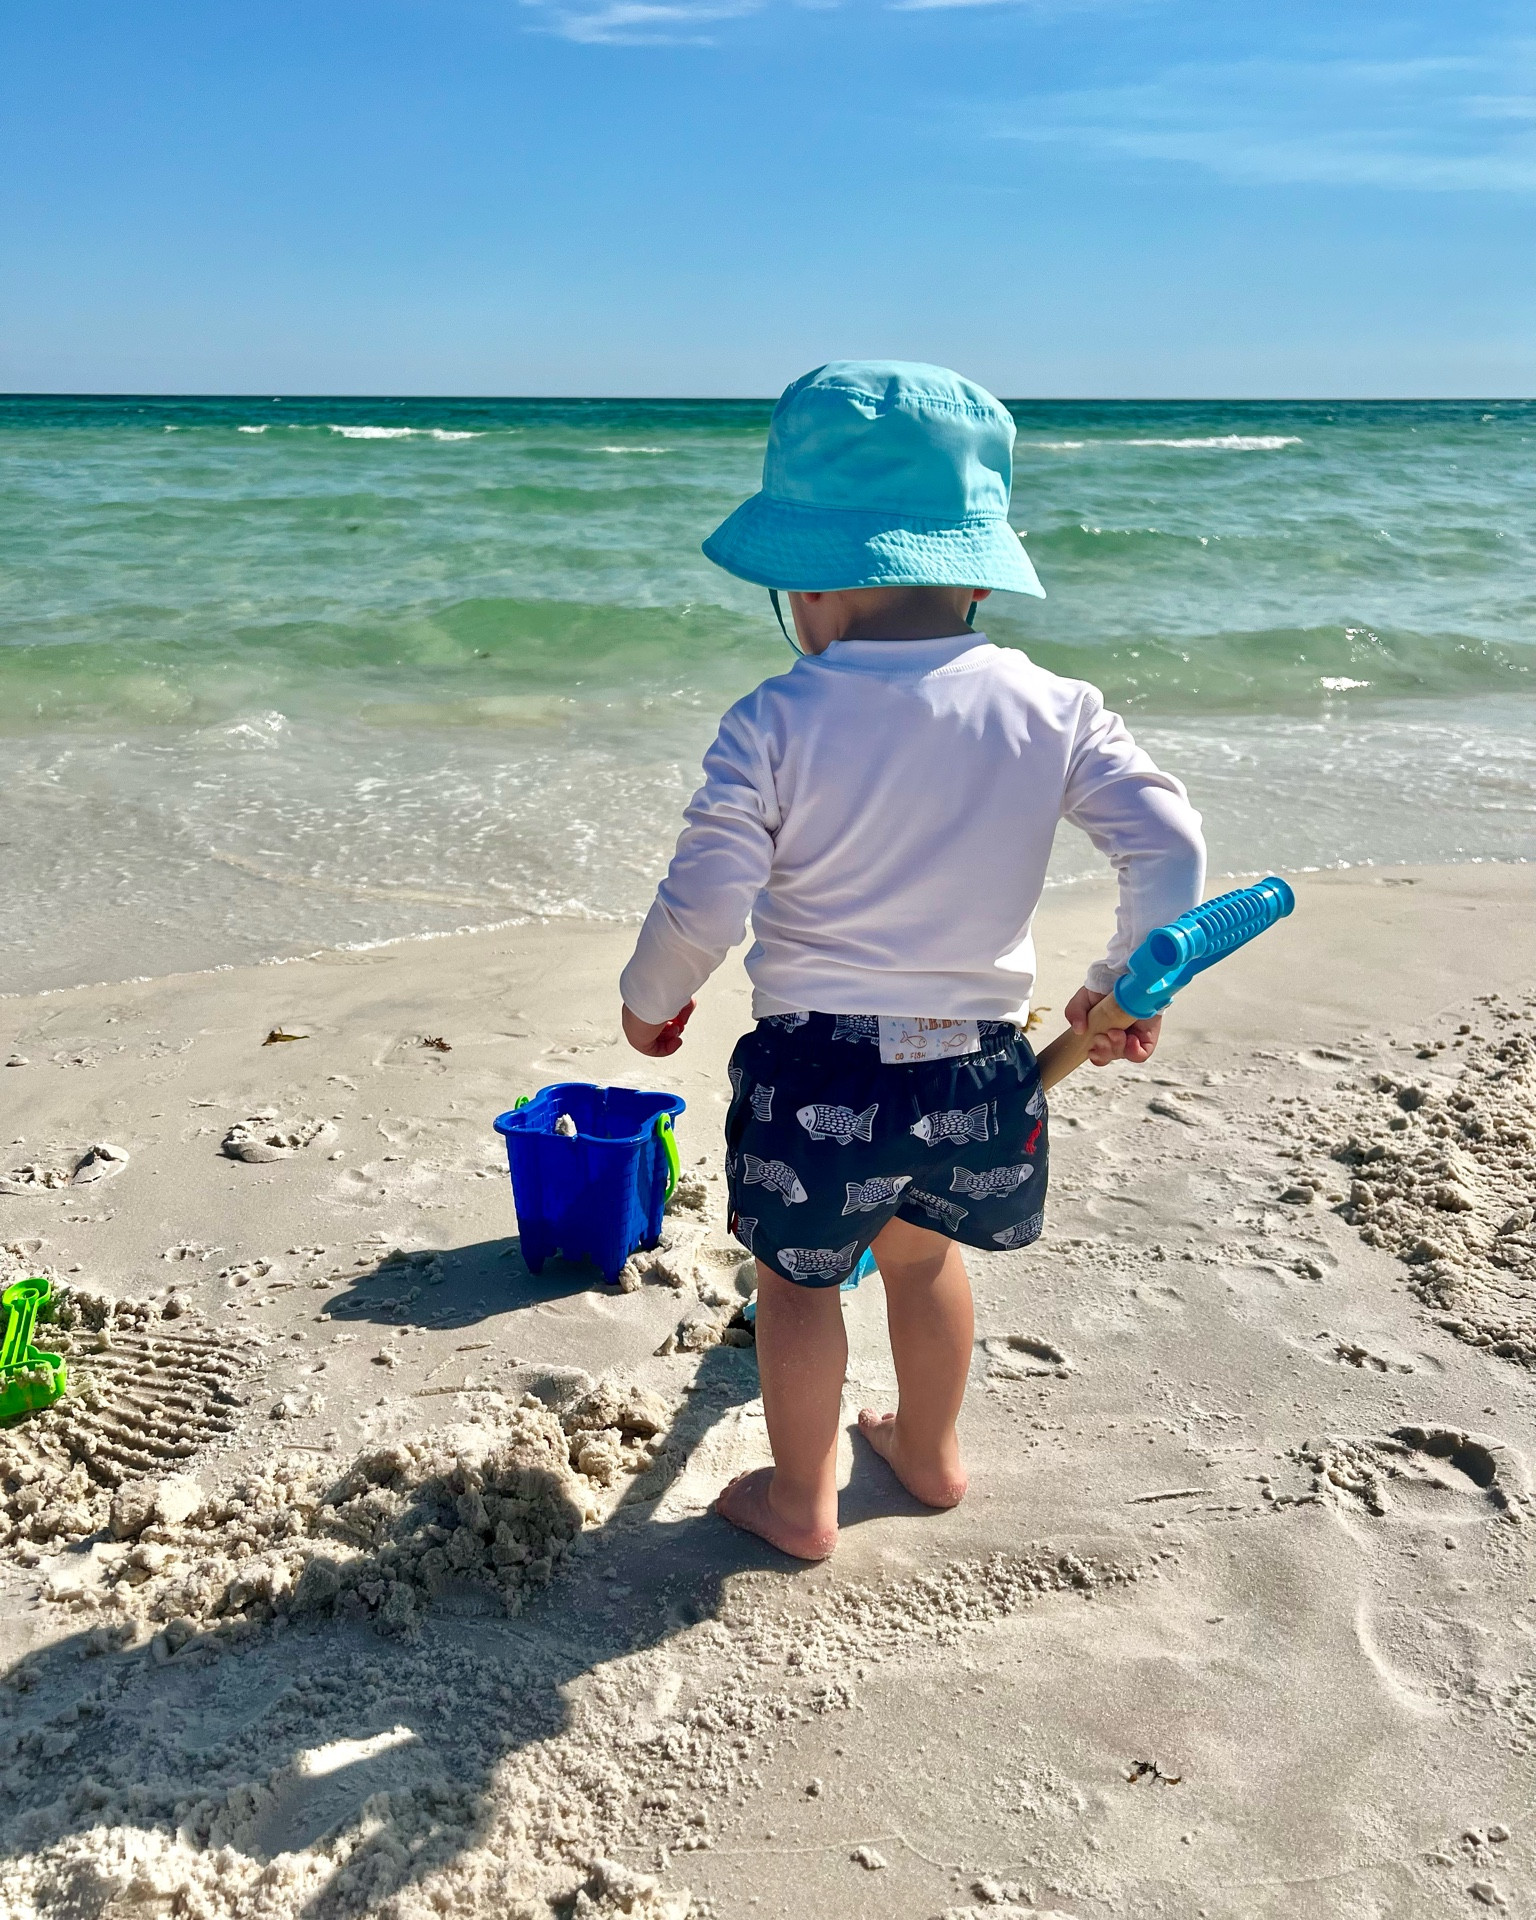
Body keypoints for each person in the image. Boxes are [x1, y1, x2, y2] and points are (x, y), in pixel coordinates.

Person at [618, 362, 1206, 1560]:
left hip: (816, 1077)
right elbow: (1172, 843)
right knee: (922, 1261)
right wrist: (1124, 978)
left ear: (811, 582)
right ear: (980, 567)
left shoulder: (773, 721)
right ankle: (930, 1457)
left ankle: (801, 1502)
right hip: (979, 1075)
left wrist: (651, 1003)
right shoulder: (1059, 707)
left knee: (797, 1285)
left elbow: (706, 897)